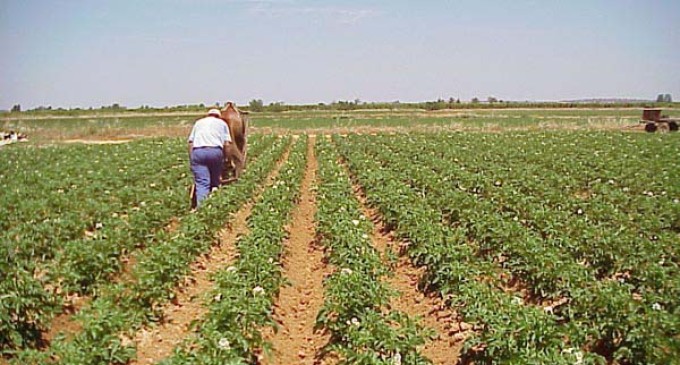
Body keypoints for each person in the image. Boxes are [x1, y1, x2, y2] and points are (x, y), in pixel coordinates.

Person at [188, 108, 232, 207]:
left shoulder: (198, 123)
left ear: (208, 115)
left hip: (198, 152)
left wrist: (192, 159)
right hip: (215, 152)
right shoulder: (222, 123)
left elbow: (191, 142)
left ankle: (201, 208)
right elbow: (227, 144)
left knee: (202, 183)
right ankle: (214, 204)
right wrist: (227, 159)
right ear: (218, 116)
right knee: (215, 180)